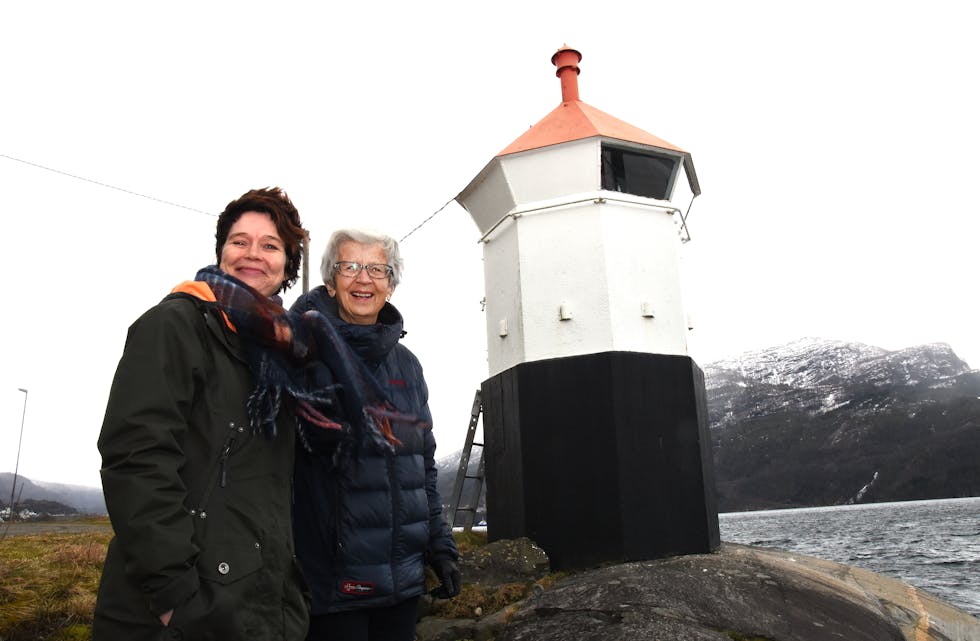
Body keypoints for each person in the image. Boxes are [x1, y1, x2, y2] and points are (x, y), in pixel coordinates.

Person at [93, 187, 314, 640]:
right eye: (239, 241)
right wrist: (174, 593)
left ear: (288, 266)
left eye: (270, 245)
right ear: (221, 253)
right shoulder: (176, 324)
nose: (253, 254)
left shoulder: (279, 356)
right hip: (181, 613)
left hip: (256, 604)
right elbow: (136, 457)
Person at [291, 228, 461, 641]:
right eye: (349, 267)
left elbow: (421, 465)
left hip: (402, 583)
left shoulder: (408, 365)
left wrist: (440, 544)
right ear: (330, 283)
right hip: (334, 585)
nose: (363, 279)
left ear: (392, 284)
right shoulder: (300, 353)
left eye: (377, 269)